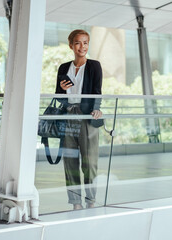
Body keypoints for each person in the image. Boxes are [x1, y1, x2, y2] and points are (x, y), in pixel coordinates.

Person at [55, 29, 103, 210]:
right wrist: (60, 88)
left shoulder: (94, 66)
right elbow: (59, 97)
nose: (82, 46)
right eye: (78, 43)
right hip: (68, 116)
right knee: (70, 162)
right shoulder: (63, 68)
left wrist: (96, 109)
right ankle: (75, 202)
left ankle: (91, 200)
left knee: (89, 162)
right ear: (71, 45)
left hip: (86, 117)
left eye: (85, 43)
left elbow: (97, 91)